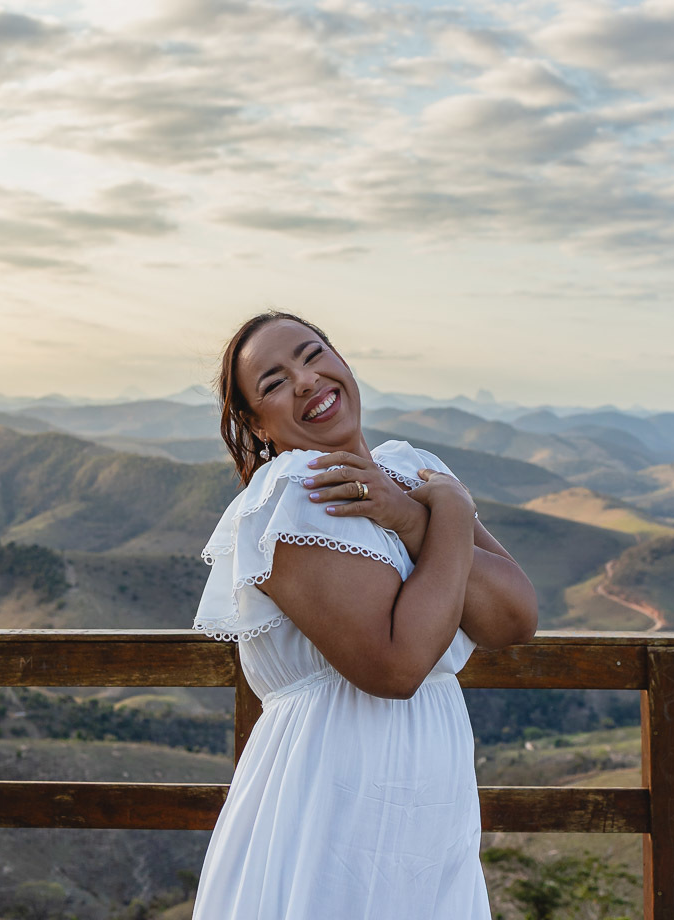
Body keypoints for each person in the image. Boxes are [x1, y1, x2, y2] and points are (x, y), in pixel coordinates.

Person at [192, 311, 538, 920]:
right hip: (335, 791)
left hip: (431, 793)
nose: (305, 380)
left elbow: (513, 620)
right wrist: (450, 512)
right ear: (255, 422)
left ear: (342, 362)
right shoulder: (294, 495)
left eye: (313, 354)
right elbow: (397, 667)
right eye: (273, 382)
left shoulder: (408, 467)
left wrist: (410, 516)